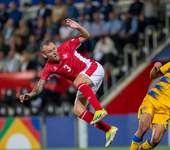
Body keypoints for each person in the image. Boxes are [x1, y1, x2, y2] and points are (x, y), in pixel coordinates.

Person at [20, 18, 118, 148]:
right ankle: (109, 130)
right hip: (85, 82)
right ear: (44, 55)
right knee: (78, 110)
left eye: (54, 48)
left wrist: (78, 27)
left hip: (94, 69)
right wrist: (31, 94)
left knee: (77, 81)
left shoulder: (66, 46)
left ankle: (99, 110)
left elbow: (86, 35)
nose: (54, 52)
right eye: (50, 51)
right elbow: (40, 85)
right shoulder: (48, 68)